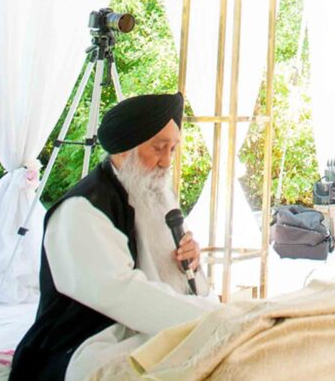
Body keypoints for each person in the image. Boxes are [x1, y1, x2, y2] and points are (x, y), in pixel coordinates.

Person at [11, 93, 217, 381]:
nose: (167, 162)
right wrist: (213, 321)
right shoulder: (82, 209)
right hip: (85, 342)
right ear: (124, 150)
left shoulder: (150, 192)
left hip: (147, 326)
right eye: (159, 148)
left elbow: (168, 282)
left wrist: (189, 265)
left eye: (173, 149)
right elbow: (120, 292)